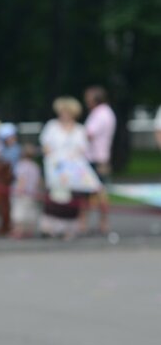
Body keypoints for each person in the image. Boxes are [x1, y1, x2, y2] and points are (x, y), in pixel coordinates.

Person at [38, 96, 103, 239]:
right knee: (54, 197)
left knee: (73, 198)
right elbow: (46, 146)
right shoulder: (52, 126)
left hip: (73, 169)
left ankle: (69, 228)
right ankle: (50, 227)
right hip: (56, 167)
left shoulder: (79, 130)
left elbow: (82, 149)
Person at [9, 145, 41, 239]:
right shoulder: (35, 166)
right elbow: (38, 181)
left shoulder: (21, 165)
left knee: (19, 213)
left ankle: (18, 231)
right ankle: (29, 231)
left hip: (22, 192)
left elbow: (21, 179)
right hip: (32, 192)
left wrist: (19, 190)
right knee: (30, 212)